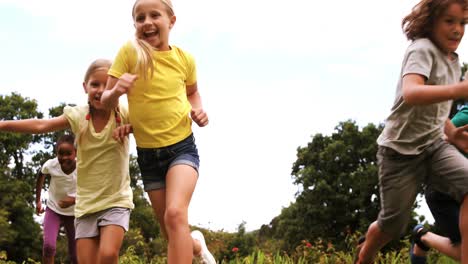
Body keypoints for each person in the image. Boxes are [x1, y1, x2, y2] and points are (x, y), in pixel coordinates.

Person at [100, 0, 215, 263]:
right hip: (149, 156)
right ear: (135, 26)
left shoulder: (184, 58)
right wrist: (117, 90)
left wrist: (198, 110)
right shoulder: (129, 53)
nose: (147, 22)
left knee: (175, 215)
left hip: (182, 148)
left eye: (155, 15)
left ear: (171, 21)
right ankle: (197, 247)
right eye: (140, 18)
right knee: (171, 231)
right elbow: (106, 100)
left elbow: (192, 92)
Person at [354, 0, 468, 263]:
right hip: (399, 153)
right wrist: (458, 90)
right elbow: (412, 92)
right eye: (449, 21)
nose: (457, 30)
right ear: (431, 22)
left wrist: (451, 134)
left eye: (462, 23)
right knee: (393, 225)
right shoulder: (421, 50)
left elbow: (437, 111)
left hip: (434, 145)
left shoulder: (453, 61)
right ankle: (366, 253)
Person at [0, 59, 134, 264]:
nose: (100, 90)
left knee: (107, 254)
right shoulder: (79, 116)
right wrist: (4, 125)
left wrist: (132, 128)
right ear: (85, 87)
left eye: (107, 85)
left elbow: (153, 120)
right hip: (86, 205)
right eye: (94, 84)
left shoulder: (124, 114)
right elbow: (41, 125)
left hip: (116, 200)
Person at [410, 105, 468, 263]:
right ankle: (424, 237)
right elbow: (438, 138)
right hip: (444, 194)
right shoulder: (465, 117)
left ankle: (423, 238)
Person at [35, 134, 78, 264]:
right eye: (60, 154)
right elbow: (41, 175)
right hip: (53, 209)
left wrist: (74, 200)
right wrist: (38, 200)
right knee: (48, 246)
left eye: (68, 153)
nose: (64, 157)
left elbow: (92, 190)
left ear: (76, 153)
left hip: (74, 213)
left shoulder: (83, 166)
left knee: (75, 254)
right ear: (56, 153)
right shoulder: (51, 165)